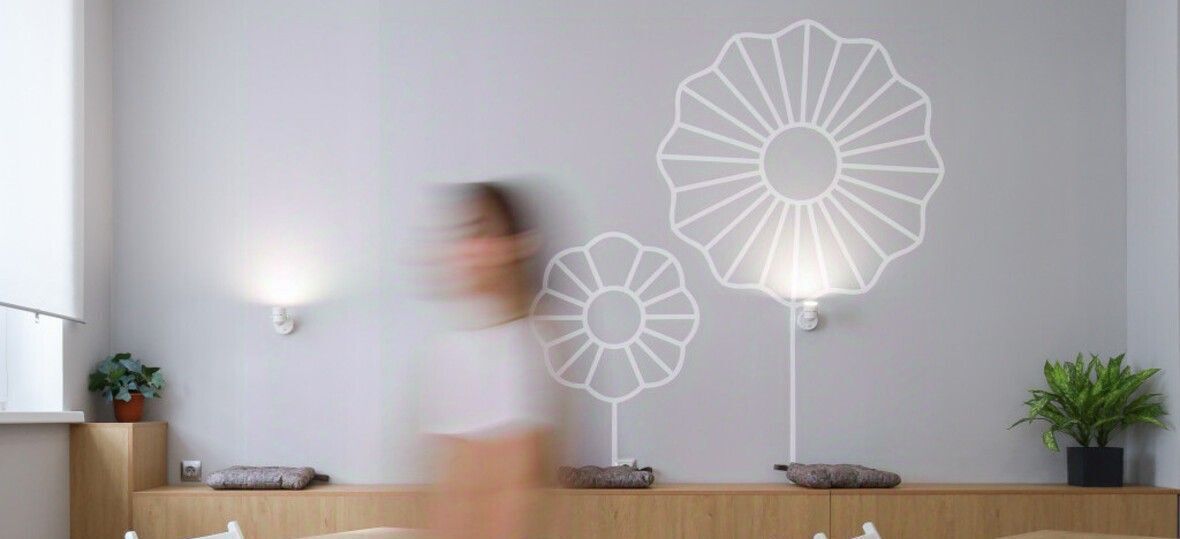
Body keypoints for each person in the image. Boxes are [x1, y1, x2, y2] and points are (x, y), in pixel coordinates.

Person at [420, 182, 557, 539]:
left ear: (515, 246)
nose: (466, 249)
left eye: (480, 232)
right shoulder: (451, 348)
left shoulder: (524, 347)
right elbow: (449, 489)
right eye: (462, 234)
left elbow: (511, 497)